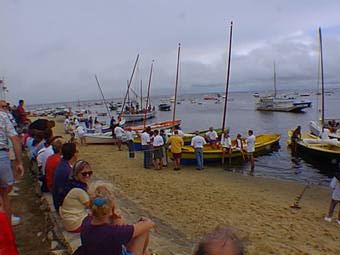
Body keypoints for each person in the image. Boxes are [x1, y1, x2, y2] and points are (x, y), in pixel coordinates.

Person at [78, 182, 155, 255]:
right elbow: (149, 223)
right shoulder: (114, 233)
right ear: (112, 209)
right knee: (143, 231)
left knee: (119, 221)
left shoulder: (86, 221)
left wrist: (115, 217)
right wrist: (142, 220)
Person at [0, 102, 24, 225]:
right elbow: (15, 139)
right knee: (4, 195)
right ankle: (6, 231)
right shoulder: (3, 116)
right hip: (1, 155)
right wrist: (19, 162)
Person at [59, 160, 92, 232]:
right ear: (76, 174)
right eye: (84, 174)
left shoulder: (71, 184)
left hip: (69, 220)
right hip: (75, 223)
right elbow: (92, 206)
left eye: (90, 173)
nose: (87, 175)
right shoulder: (79, 190)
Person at [52, 142, 78, 212]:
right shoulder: (67, 170)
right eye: (77, 151)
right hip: (63, 206)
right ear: (74, 154)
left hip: (59, 201)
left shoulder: (62, 164)